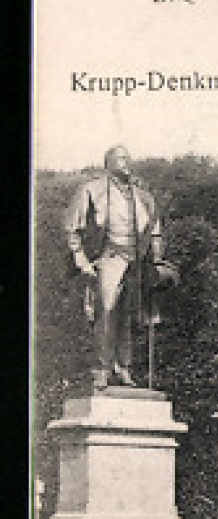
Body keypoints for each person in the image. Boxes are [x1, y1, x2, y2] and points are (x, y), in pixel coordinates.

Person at [63, 145, 170, 390]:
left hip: (136, 261)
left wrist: (156, 260)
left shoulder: (143, 196)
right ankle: (101, 369)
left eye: (127, 158)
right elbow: (72, 227)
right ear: (108, 162)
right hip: (109, 256)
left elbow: (155, 230)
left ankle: (123, 368)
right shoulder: (91, 189)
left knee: (128, 316)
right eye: (120, 158)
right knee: (107, 312)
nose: (125, 162)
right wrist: (80, 259)